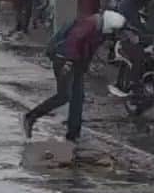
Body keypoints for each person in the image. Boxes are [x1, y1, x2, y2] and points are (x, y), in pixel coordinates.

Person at [24, 9, 127, 142]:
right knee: (64, 95)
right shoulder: (90, 25)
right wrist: (69, 63)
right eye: (114, 31)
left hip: (75, 62)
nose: (114, 35)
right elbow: (73, 42)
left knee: (77, 97)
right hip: (64, 59)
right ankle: (30, 117)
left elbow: (85, 48)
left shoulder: (97, 27)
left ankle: (73, 134)